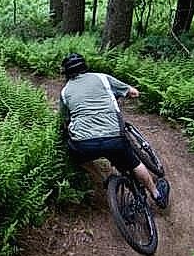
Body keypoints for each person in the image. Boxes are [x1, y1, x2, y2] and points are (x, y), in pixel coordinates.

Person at [58, 53, 169, 209]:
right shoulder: (102, 78)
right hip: (114, 138)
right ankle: (157, 195)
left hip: (84, 144)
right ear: (85, 66)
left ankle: (104, 179)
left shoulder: (65, 91)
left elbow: (64, 120)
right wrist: (127, 95)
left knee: (76, 156)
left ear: (66, 73)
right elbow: (133, 92)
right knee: (134, 163)